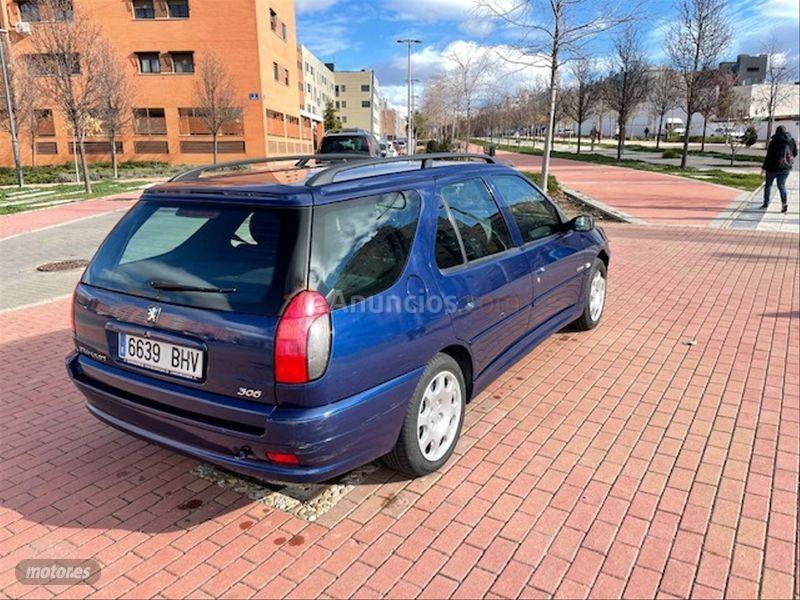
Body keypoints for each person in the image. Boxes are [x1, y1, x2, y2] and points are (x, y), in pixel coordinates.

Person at [761, 125, 797, 213]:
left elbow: (769, 156)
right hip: (785, 168)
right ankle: (784, 204)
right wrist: (788, 160)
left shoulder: (774, 141)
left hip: (772, 168)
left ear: (776, 131)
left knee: (768, 185)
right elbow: (795, 152)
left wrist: (764, 167)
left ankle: (766, 202)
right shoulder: (791, 140)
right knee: (781, 186)